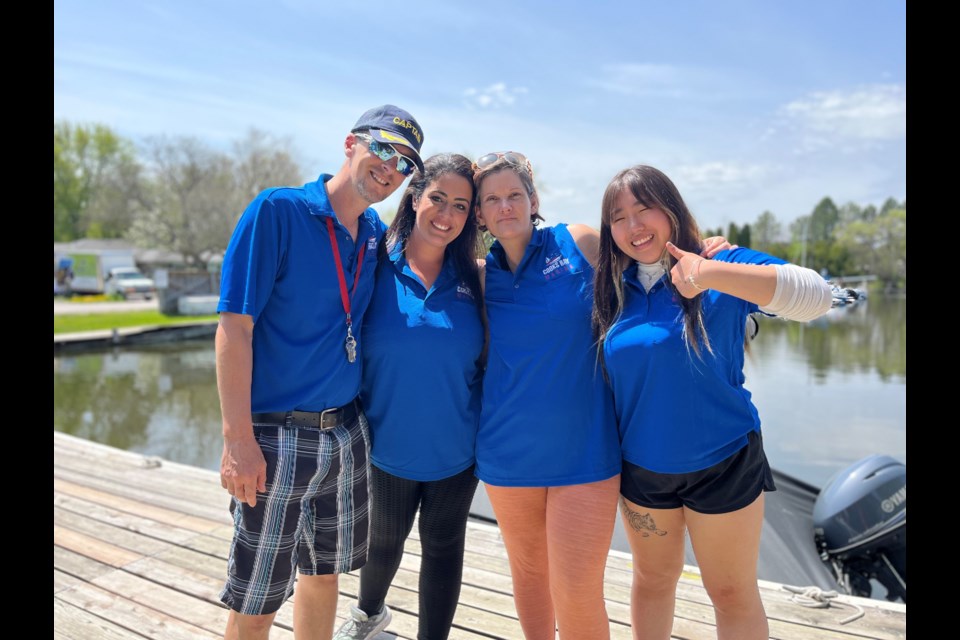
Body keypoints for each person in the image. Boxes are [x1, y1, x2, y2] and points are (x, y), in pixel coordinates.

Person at [471, 152, 730, 639]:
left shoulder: (579, 242)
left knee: (576, 587)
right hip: (507, 453)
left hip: (586, 451)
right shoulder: (480, 276)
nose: (505, 207)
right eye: (492, 200)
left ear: (534, 201)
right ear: (480, 214)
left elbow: (648, 259)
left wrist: (705, 251)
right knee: (528, 579)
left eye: (514, 195)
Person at [591, 165, 834, 640]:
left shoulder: (723, 264)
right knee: (653, 581)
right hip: (643, 471)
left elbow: (819, 298)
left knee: (730, 592)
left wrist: (709, 272)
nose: (634, 226)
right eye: (619, 217)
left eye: (645, 209)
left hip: (723, 464)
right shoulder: (610, 288)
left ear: (672, 209)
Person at [215, 104, 426, 640]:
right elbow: (234, 329)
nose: (391, 167)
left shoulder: (374, 233)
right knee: (257, 597)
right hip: (276, 435)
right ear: (351, 143)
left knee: (324, 574)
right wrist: (237, 439)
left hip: (347, 433)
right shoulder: (277, 212)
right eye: (383, 148)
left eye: (405, 163)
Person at [333, 153, 486, 639]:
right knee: (382, 544)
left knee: (443, 547)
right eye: (437, 198)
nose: (446, 215)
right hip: (385, 449)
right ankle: (368, 615)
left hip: (458, 452)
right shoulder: (373, 264)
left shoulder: (479, 279)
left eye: (461, 206)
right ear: (414, 196)